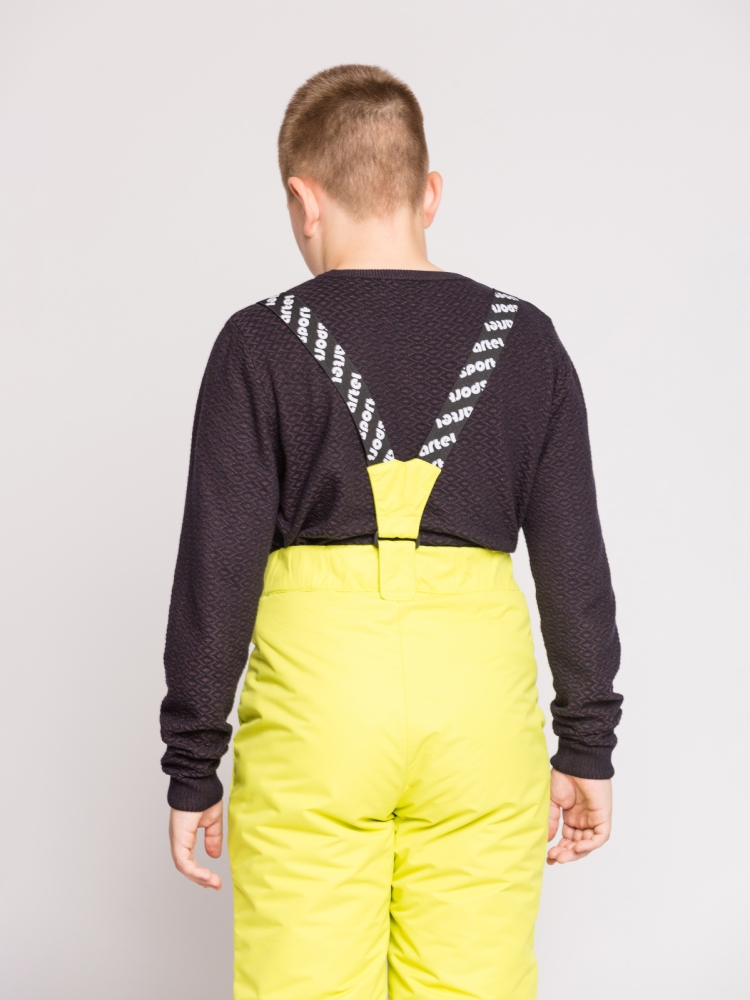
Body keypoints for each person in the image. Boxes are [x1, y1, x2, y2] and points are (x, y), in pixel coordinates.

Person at [161, 64, 622, 1000]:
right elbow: (575, 565)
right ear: (430, 192)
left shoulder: (259, 342)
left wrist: (192, 762)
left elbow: (218, 570)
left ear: (304, 200)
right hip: (479, 710)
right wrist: (586, 745)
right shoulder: (526, 341)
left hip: (319, 709)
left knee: (303, 984)